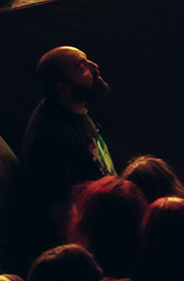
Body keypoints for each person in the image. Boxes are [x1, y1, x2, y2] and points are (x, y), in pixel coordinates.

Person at [22, 46, 118, 243]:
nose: (94, 66)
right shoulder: (52, 138)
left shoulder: (75, 110)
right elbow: (65, 219)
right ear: (63, 88)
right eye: (82, 68)